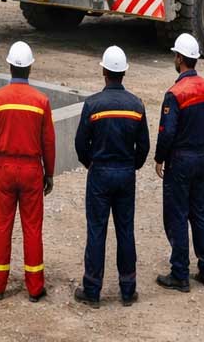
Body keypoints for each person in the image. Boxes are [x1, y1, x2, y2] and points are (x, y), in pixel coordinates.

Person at [73, 45, 149, 309]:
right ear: (124, 73)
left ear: (104, 71)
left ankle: (92, 290)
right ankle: (128, 289)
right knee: (125, 229)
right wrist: (131, 166)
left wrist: (91, 164)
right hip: (125, 173)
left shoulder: (93, 104)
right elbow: (145, 146)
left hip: (100, 174)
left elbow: (81, 144)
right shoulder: (136, 105)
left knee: (97, 230)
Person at [0, 41, 56, 303]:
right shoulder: (41, 101)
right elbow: (48, 142)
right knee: (32, 228)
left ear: (9, 65)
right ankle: (35, 287)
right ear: (30, 68)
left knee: (2, 226)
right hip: (32, 170)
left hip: (4, 168)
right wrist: (49, 173)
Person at [155, 32, 204, 292]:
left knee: (178, 215)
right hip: (200, 156)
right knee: (198, 213)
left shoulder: (175, 93)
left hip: (180, 160)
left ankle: (180, 273)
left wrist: (160, 158)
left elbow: (167, 132)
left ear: (180, 58)